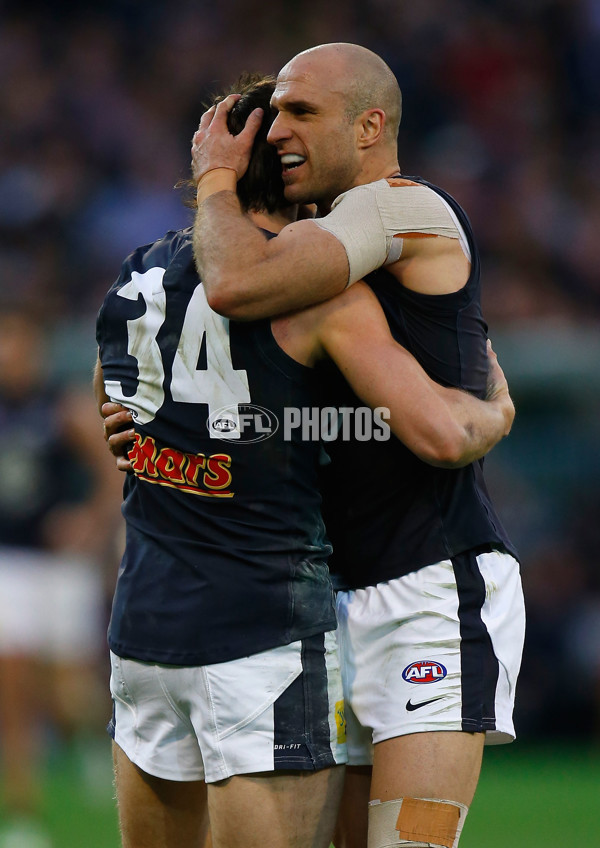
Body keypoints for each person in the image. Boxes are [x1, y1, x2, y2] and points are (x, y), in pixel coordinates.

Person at [96, 74, 515, 848]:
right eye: (278, 116)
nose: (286, 132)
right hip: (314, 592)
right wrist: (493, 407)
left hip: (424, 579)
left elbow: (223, 303)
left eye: (303, 111)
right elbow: (231, 305)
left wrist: (160, 432)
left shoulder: (394, 207)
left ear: (369, 125)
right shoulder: (302, 271)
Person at [0, 305, 122, 848]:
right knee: (13, 684)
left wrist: (89, 525)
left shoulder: (62, 407)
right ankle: (23, 812)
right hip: (12, 562)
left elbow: (110, 470)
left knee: (70, 684)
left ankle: (93, 742)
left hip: (61, 565)